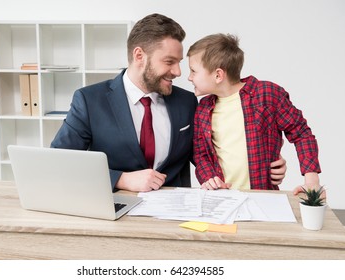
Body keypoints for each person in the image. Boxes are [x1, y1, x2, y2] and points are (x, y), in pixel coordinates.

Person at [51, 14, 286, 192]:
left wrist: (266, 159)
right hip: (114, 209)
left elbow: (210, 152)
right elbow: (60, 163)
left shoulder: (187, 102)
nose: (178, 71)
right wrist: (121, 178)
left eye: (180, 62)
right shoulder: (89, 101)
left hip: (178, 217)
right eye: (169, 61)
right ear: (139, 56)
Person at [187, 33, 321, 195]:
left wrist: (311, 181)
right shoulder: (203, 108)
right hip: (222, 198)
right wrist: (209, 178)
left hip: (264, 197)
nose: (189, 77)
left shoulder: (267, 95)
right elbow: (201, 155)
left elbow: (301, 133)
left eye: (193, 71)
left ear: (218, 75)